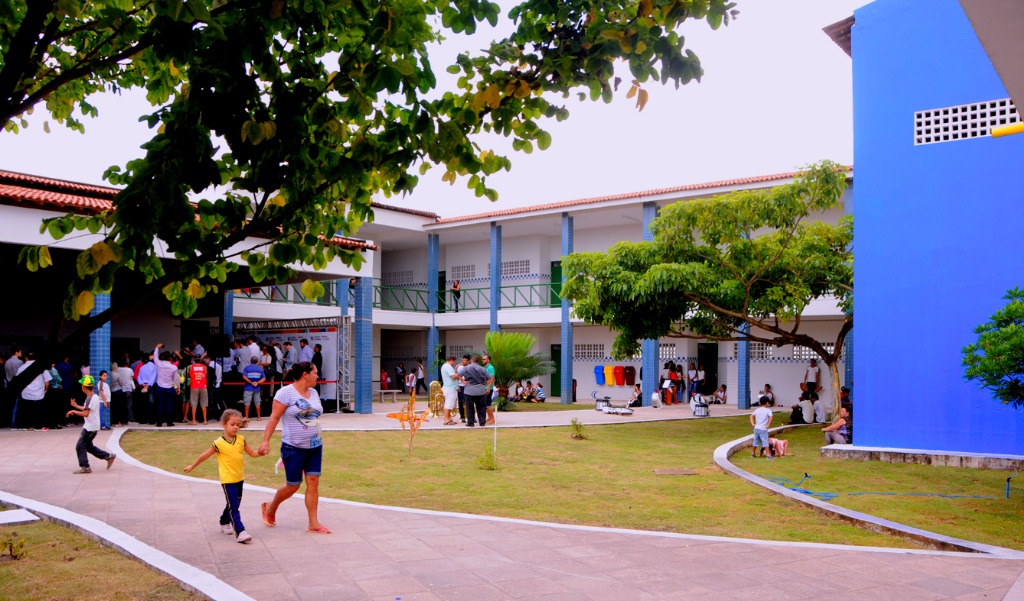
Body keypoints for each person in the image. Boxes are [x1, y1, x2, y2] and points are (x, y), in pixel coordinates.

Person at [258, 361, 331, 535]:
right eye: (315, 373)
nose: (317, 376)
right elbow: (274, 418)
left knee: (313, 482)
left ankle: (313, 524)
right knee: (293, 485)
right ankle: (270, 507)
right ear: (305, 374)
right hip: (293, 447)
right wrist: (265, 441)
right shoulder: (285, 393)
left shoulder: (313, 392)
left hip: (315, 445)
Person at [184, 409, 262, 544]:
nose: (236, 427)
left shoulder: (241, 440)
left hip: (239, 478)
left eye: (238, 424)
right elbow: (204, 456)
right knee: (234, 506)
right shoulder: (218, 443)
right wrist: (192, 466)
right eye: (233, 424)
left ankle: (224, 521)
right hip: (227, 479)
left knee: (234, 503)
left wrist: (260, 452)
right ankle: (240, 531)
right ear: (224, 424)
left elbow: (253, 454)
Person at [66, 376, 116, 474]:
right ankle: (108, 456)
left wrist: (73, 411)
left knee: (80, 446)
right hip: (93, 427)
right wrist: (76, 406)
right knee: (88, 446)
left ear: (84, 387)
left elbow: (86, 413)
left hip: (90, 428)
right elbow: (87, 409)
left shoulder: (90, 398)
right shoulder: (94, 396)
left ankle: (85, 467)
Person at [15, 352, 50, 431]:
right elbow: (47, 381)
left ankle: (27, 426)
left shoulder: (21, 368)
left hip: (26, 393)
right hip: (39, 392)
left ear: (26, 358)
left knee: (27, 410)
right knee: (38, 410)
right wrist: (45, 389)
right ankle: (38, 426)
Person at [460, 355, 490, 427]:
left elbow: (459, 374)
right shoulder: (482, 368)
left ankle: (471, 422)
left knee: (469, 407)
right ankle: (482, 422)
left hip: (469, 390)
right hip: (480, 391)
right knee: (481, 407)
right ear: (478, 361)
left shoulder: (466, 368)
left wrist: (463, 381)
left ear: (471, 361)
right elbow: (489, 377)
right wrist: (485, 384)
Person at [110, 361, 135, 426]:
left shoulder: (109, 374)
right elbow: (121, 383)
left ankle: (112, 421)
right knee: (120, 407)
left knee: (113, 406)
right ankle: (121, 421)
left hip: (111, 391)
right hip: (118, 391)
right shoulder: (117, 374)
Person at [241, 357, 265, 421]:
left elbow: (244, 376)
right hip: (257, 388)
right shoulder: (260, 369)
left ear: (250, 361)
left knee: (247, 403)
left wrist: (251, 382)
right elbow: (263, 378)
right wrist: (257, 382)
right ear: (257, 361)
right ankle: (259, 417)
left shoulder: (247, 368)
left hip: (248, 387)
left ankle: (246, 417)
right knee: (257, 403)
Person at [137, 352, 157, 424]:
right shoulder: (154, 366)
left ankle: (143, 419)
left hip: (143, 386)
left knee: (143, 403)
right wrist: (149, 385)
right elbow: (153, 377)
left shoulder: (142, 367)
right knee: (151, 403)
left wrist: (142, 384)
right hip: (151, 386)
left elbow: (139, 377)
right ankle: (151, 419)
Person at [188, 356, 210, 424]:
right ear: (200, 360)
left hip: (194, 386)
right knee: (204, 404)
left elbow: (189, 375)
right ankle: (205, 420)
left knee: (194, 404)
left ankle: (194, 420)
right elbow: (206, 375)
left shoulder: (191, 367)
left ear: (194, 360)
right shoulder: (204, 367)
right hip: (203, 386)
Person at [440, 355, 459, 425]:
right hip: (450, 388)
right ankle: (446, 419)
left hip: (449, 387)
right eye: (454, 361)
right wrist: (458, 375)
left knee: (449, 404)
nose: (454, 363)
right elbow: (453, 377)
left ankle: (449, 418)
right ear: (452, 360)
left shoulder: (444, 366)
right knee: (448, 404)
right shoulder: (448, 366)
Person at [481, 354, 496, 425]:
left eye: (484, 359)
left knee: (487, 404)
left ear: (488, 360)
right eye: (482, 359)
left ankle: (492, 418)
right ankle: (489, 418)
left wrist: (489, 388)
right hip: (485, 388)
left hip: (488, 388)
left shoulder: (490, 367)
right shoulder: (485, 367)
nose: (482, 360)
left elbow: (492, 378)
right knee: (485, 404)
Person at [456, 354, 469, 422]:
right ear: (462, 359)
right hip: (460, 386)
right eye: (464, 360)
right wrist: (457, 386)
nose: (465, 361)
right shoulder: (458, 366)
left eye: (467, 360)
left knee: (469, 401)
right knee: (461, 402)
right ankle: (462, 416)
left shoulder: (469, 367)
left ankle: (469, 416)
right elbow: (456, 376)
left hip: (468, 386)